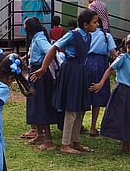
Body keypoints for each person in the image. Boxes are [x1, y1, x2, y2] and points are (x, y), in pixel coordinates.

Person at [31, 9, 98, 154]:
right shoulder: (72, 35)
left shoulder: (88, 36)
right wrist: (43, 68)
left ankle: (76, 141)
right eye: (95, 22)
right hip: (71, 71)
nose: (97, 25)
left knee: (80, 108)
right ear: (85, 25)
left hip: (81, 71)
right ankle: (65, 144)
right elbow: (53, 48)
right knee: (71, 107)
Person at [89, 33, 130, 155]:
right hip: (122, 90)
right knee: (126, 117)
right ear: (125, 47)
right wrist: (101, 83)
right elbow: (110, 69)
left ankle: (127, 146)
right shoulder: (123, 58)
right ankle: (129, 147)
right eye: (129, 47)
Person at [22, 17, 60, 150]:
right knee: (35, 104)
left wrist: (42, 69)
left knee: (42, 105)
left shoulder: (39, 39)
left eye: (25, 26)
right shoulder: (36, 38)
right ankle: (39, 134)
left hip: (40, 75)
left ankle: (48, 141)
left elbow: (51, 50)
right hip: (34, 72)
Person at [85, 18, 118, 137]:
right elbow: (113, 52)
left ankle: (79, 125)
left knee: (84, 93)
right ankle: (93, 128)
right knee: (97, 94)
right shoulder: (106, 35)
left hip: (86, 62)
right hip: (100, 64)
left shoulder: (86, 34)